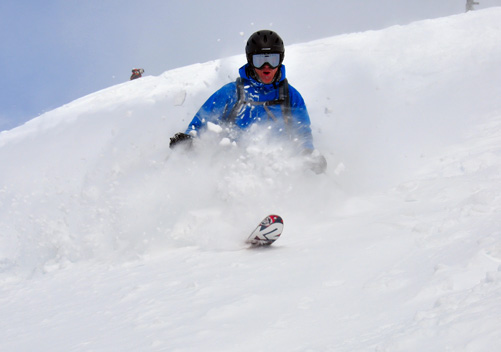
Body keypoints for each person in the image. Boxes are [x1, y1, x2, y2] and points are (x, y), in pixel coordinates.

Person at [169, 30, 326, 173]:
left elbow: (302, 132)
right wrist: (188, 139)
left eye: (273, 59)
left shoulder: (290, 96)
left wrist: (308, 154)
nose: (267, 67)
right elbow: (203, 120)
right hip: (233, 172)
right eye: (259, 60)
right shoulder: (231, 93)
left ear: (281, 60)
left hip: (279, 173)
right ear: (250, 61)